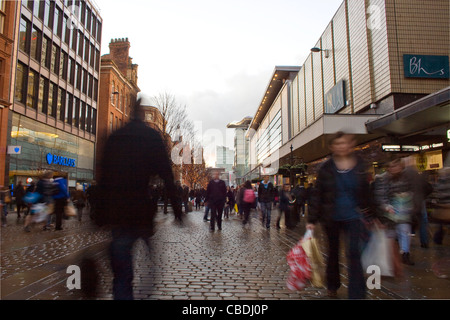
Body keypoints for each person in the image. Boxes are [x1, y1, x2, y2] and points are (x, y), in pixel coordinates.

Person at [95, 99, 182, 300]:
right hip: (141, 210)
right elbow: (167, 174)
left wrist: (98, 214)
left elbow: (103, 177)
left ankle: (124, 293)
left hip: (117, 212)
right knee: (150, 261)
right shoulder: (151, 137)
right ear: (143, 117)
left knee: (121, 270)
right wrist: (177, 208)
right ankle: (146, 289)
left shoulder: (115, 137)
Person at [306, 131, 371, 299]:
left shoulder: (359, 165)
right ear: (332, 147)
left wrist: (374, 214)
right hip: (331, 217)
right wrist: (312, 219)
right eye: (338, 144)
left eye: (345, 143)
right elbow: (317, 194)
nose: (342, 146)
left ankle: (356, 293)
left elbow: (367, 192)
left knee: (354, 252)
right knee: (333, 252)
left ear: (350, 145)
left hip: (354, 217)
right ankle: (333, 284)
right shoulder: (326, 168)